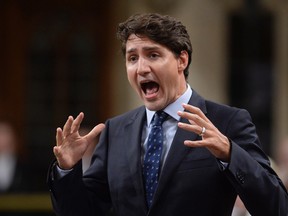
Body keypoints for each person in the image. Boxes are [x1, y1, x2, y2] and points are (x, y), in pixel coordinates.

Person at [47, 13, 288, 216]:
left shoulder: (227, 122)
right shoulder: (115, 131)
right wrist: (67, 170)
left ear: (181, 60)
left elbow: (276, 206)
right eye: (132, 58)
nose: (141, 68)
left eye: (153, 55)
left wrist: (229, 153)